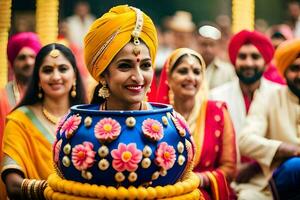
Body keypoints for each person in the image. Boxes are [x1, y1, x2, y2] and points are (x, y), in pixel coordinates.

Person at [0, 43, 87, 199]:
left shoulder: (88, 120)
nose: (55, 76)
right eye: (47, 70)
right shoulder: (20, 121)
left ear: (74, 75)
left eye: (63, 69)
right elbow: (13, 185)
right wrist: (59, 191)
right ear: (38, 78)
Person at [156, 48, 237, 200]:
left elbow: (230, 169)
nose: (191, 77)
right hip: (167, 193)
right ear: (169, 78)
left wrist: (198, 180)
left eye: (196, 72)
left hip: (205, 193)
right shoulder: (159, 118)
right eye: (183, 71)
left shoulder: (218, 112)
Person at [236, 38, 300, 199]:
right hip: (274, 180)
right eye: (295, 68)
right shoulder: (268, 96)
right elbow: (245, 140)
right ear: (284, 71)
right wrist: (285, 149)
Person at [0, 32, 42, 158]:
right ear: (12, 63)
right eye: (22, 57)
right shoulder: (2, 98)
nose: (28, 62)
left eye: (32, 57)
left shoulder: (50, 94)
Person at [197, 25, 236, 90]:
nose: (208, 49)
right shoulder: (191, 68)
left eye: (211, 44)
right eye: (204, 44)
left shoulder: (227, 70)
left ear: (218, 46)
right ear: (197, 44)